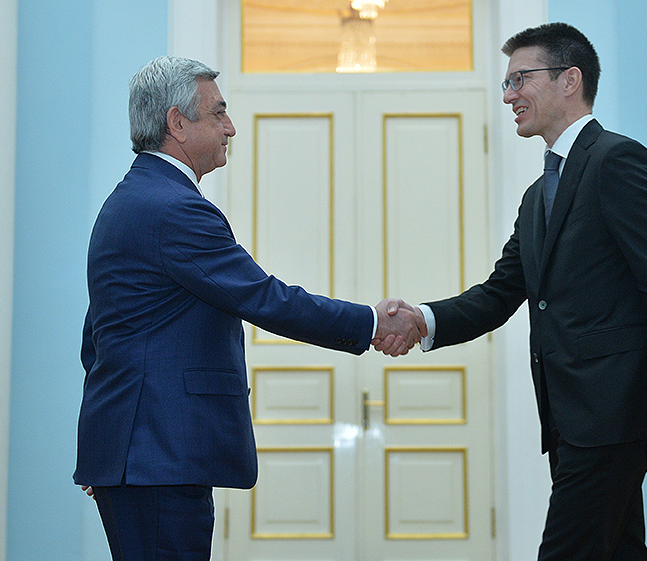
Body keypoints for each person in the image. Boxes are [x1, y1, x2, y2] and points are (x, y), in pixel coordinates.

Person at [74, 56, 423, 561]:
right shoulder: (173, 208)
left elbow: (99, 335)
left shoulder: (132, 199)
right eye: (218, 113)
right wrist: (370, 322)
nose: (230, 127)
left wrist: (109, 445)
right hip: (158, 455)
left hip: (144, 454)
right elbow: (262, 297)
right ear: (177, 123)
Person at [390, 23, 647, 560]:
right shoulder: (537, 195)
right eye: (507, 83)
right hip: (568, 421)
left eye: (520, 79)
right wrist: (423, 319)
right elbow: (500, 293)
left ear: (569, 80)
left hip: (614, 417)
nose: (509, 95)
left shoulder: (619, 161)